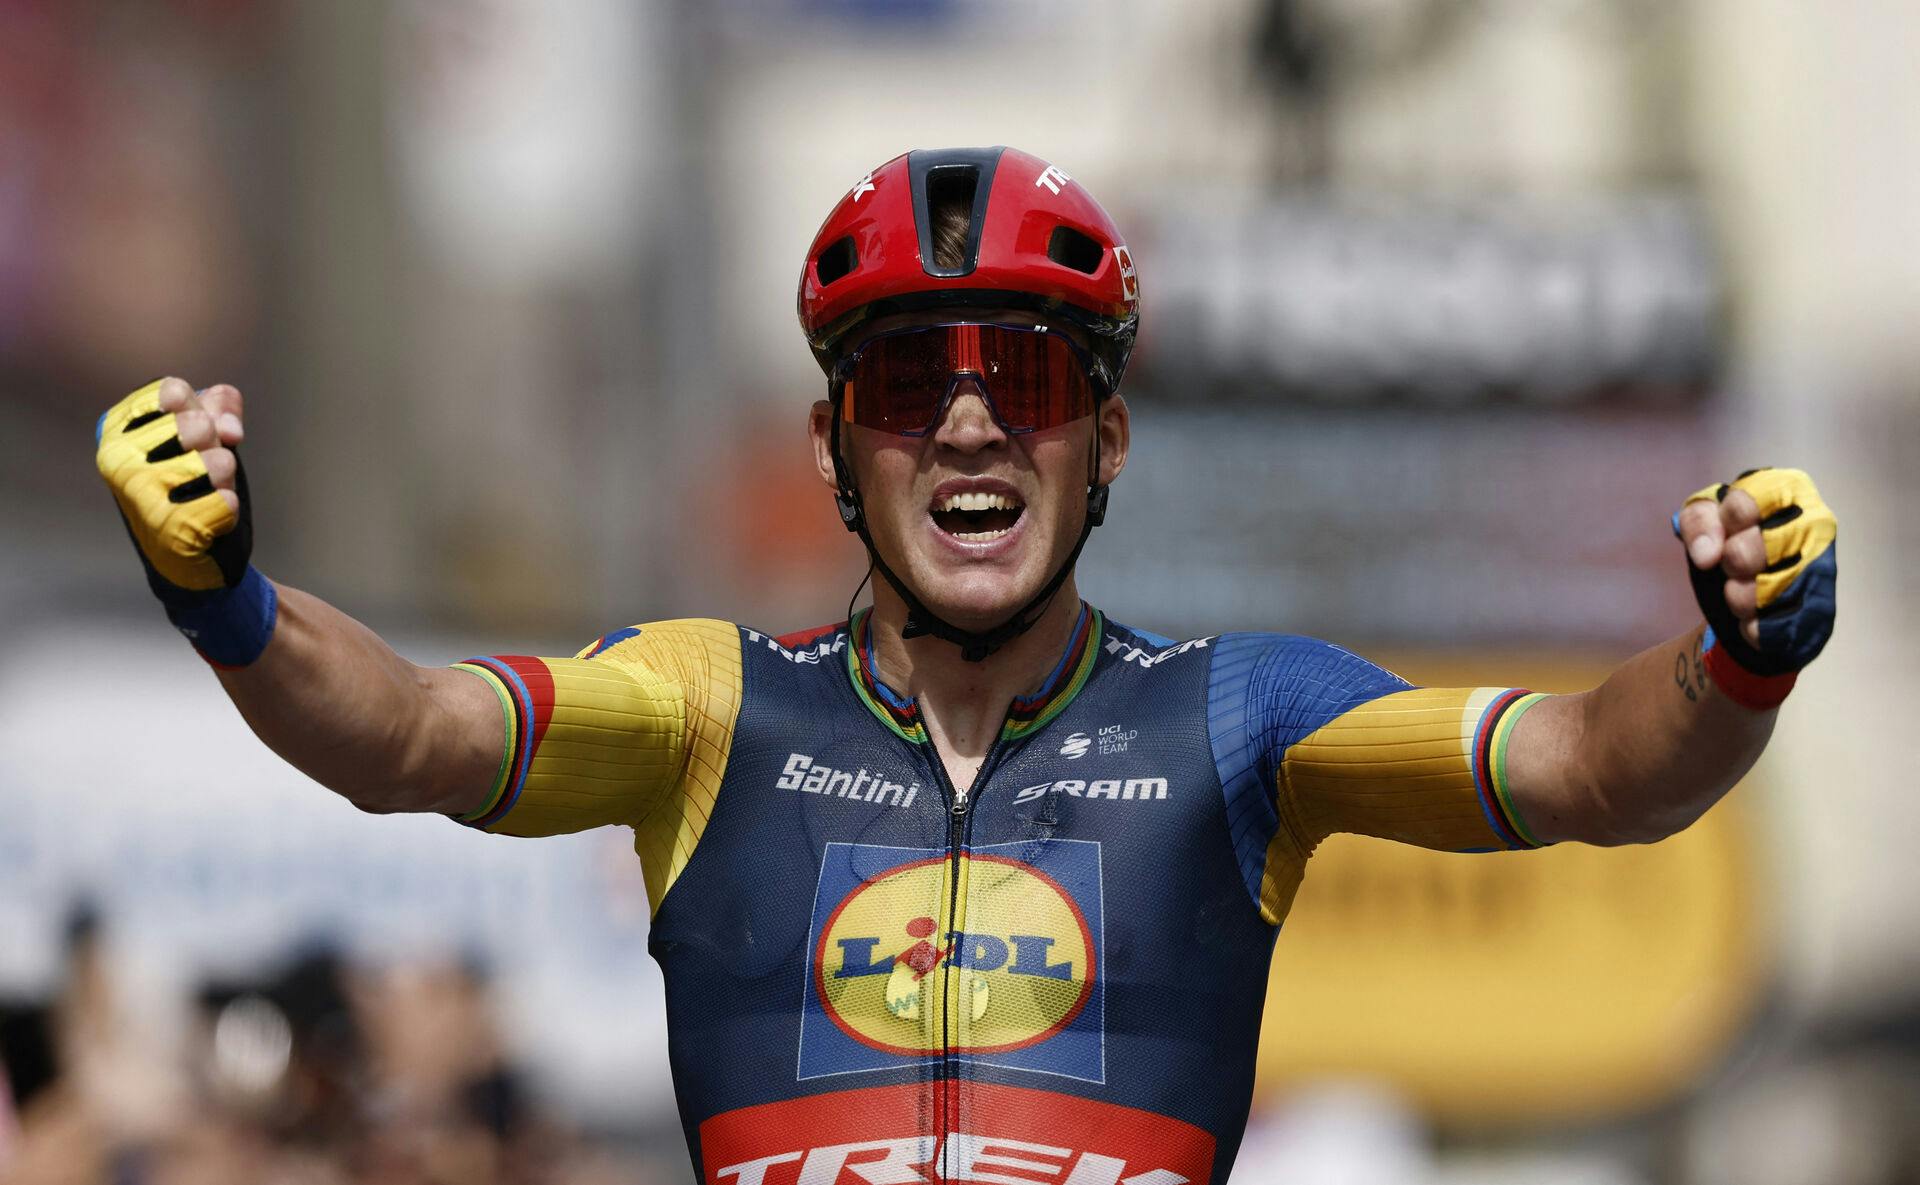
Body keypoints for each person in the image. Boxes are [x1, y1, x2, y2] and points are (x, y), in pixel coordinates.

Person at [93, 146, 1838, 1185]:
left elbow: (1595, 766)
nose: (975, 423)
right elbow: (405, 733)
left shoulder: (1243, 714)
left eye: (1033, 374)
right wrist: (225, 590)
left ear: (1110, 441)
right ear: (836, 447)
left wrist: (1737, 658)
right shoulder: (705, 706)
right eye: (913, 380)